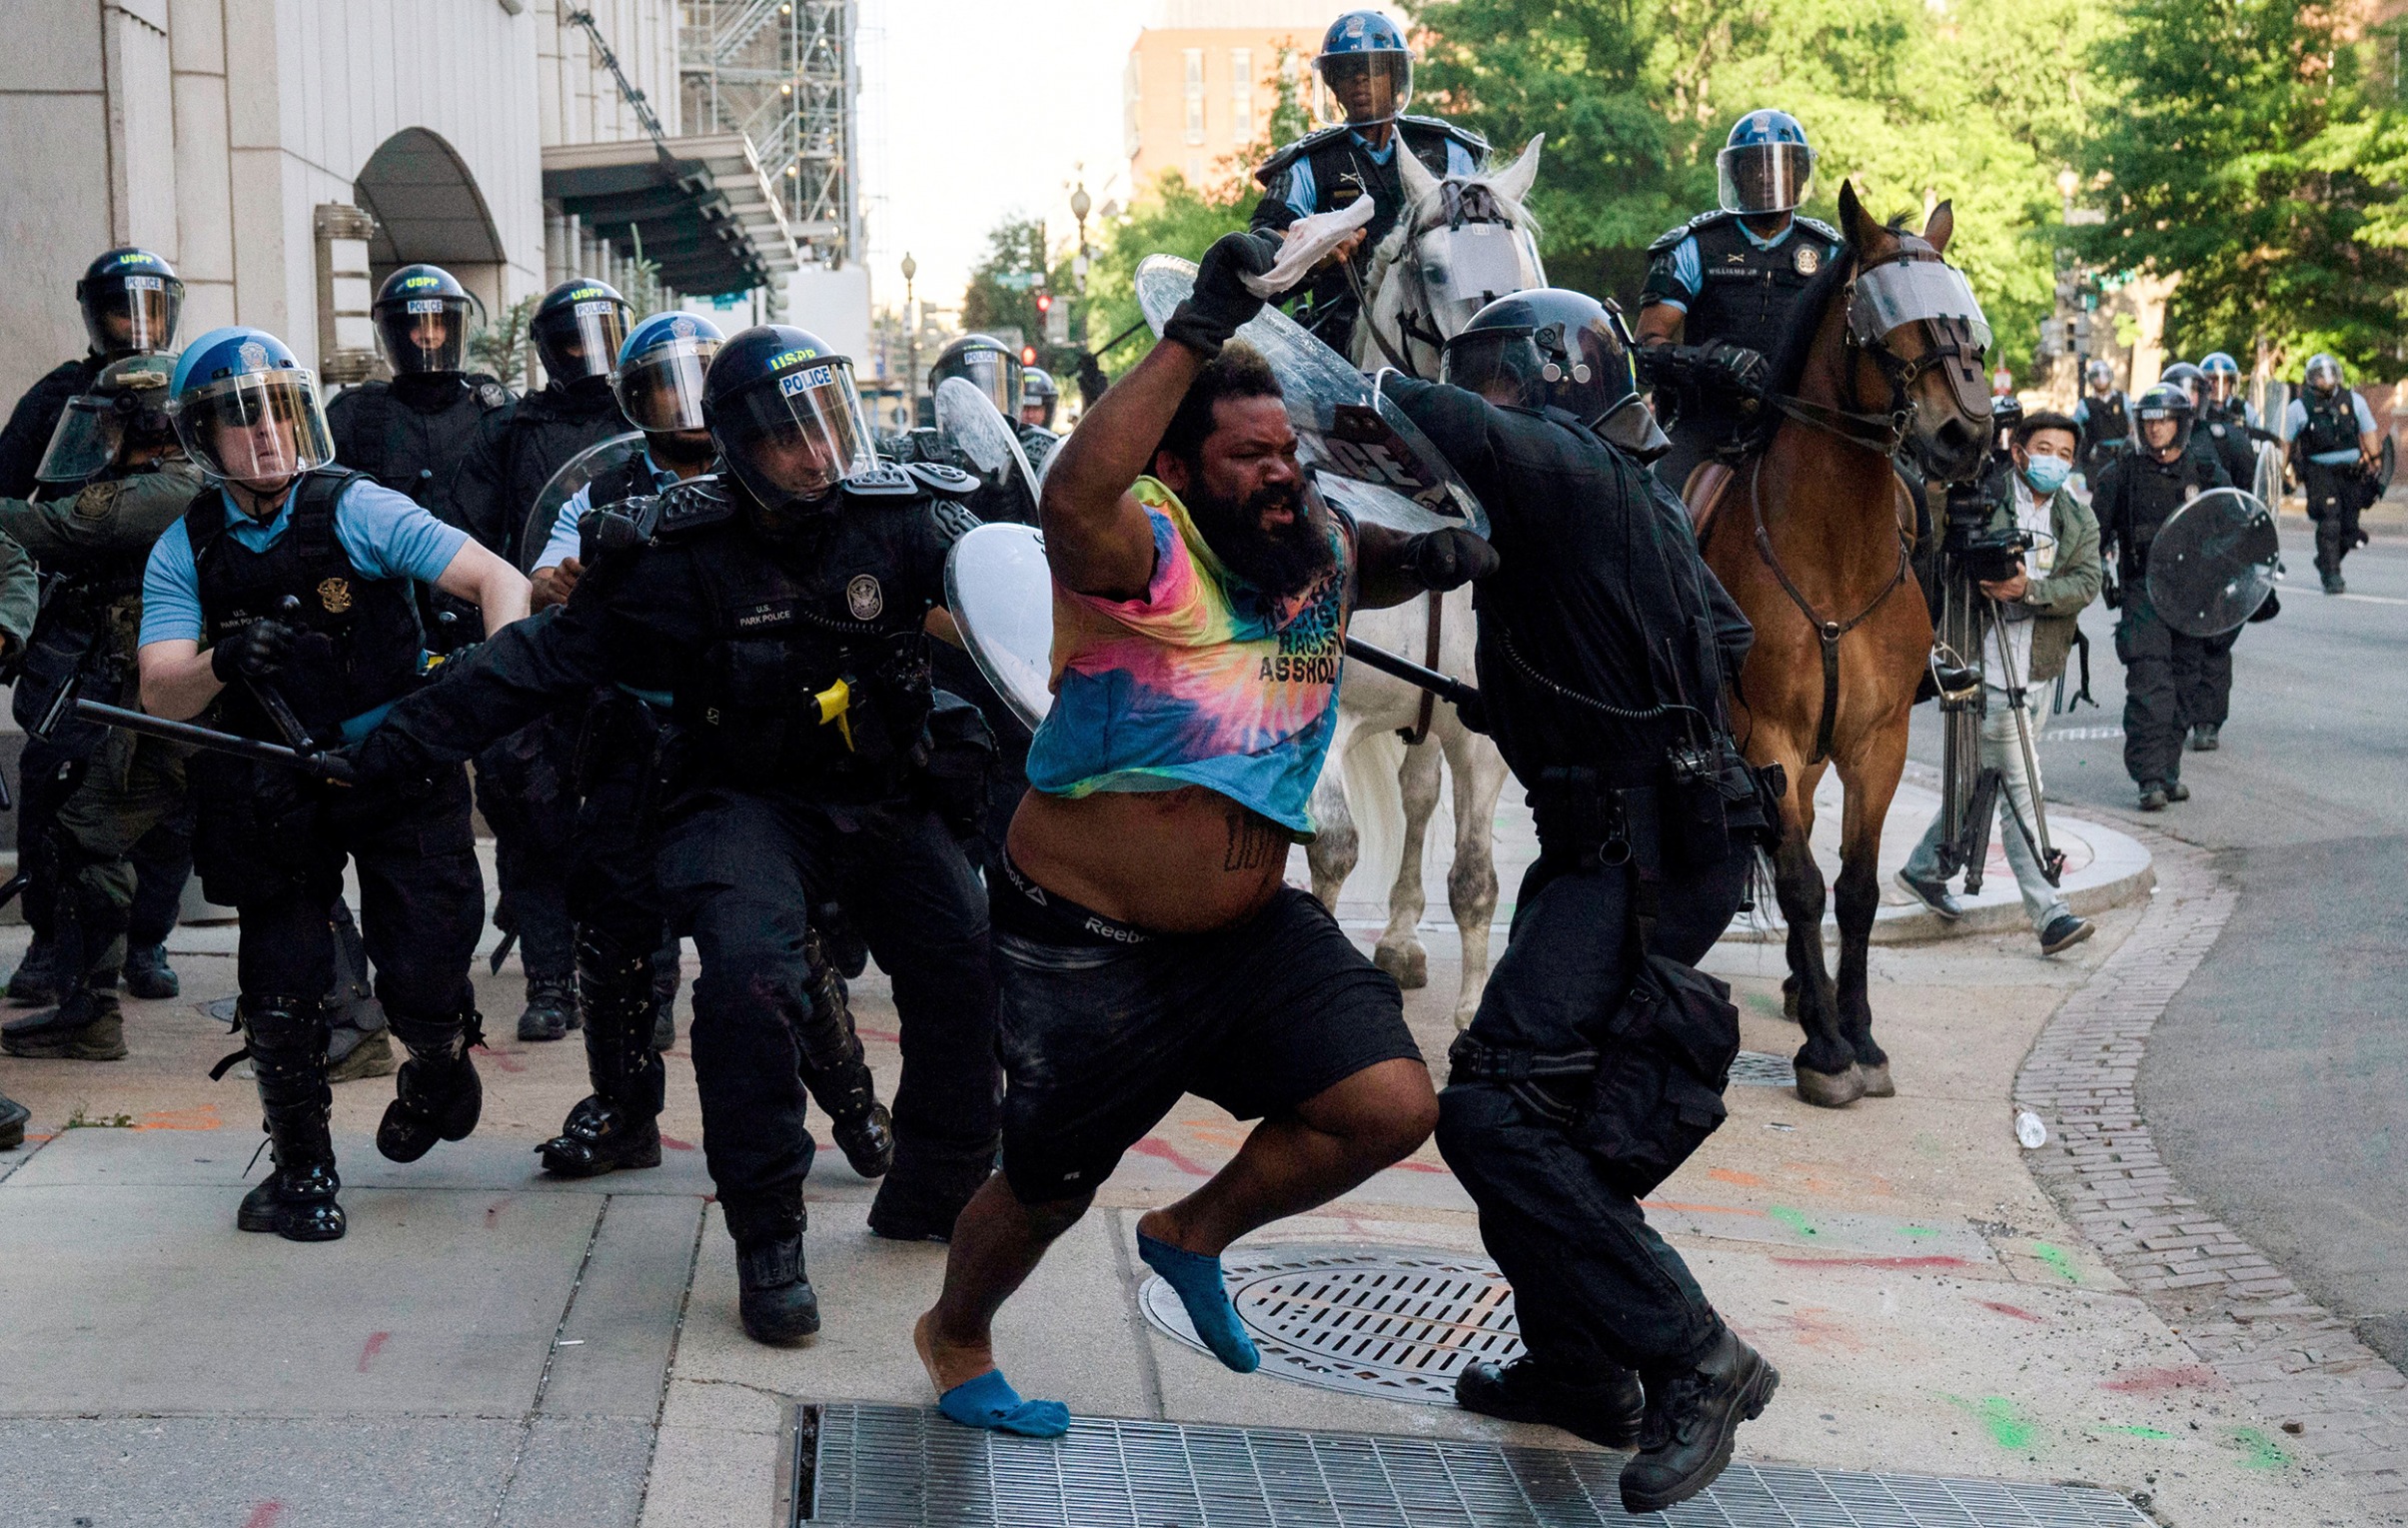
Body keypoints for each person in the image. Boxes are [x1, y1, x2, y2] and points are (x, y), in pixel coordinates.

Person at [913, 231, 1490, 1441]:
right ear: (1175, 465)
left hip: (1246, 934)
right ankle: (955, 1330)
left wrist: (1466, 534)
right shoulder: (1142, 553)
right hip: (1086, 944)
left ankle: (1190, 1233)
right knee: (1048, 1185)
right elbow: (1071, 492)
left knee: (1387, 1106)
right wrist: (1198, 324)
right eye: (1248, 455)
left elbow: (1377, 556)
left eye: (1288, 450)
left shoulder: (1314, 542)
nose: (1280, 471)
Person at [352, 324, 1001, 1342]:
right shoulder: (669, 549)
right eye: (789, 436)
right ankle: (769, 1237)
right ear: (737, 443)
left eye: (828, 425)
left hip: (883, 791)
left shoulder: (904, 517)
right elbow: (535, 662)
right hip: (739, 800)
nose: (817, 454)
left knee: (964, 953)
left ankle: (934, 1185)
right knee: (747, 982)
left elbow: (1022, 602)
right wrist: (391, 743)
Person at [1374, 288, 1777, 1514]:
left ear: (1546, 387)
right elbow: (1727, 627)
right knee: (1539, 1112)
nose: (1486, 402)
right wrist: (1559, 687)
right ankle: (1580, 1369)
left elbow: (1426, 410)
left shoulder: (1563, 464)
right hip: (1650, 834)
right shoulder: (1626, 489)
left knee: (1495, 1115)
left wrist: (1304, 355)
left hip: (1636, 852)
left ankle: (1694, 1354)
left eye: (1501, 378)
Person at [136, 326, 531, 1241]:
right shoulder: (183, 546)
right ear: (204, 439)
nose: (266, 435)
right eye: (240, 420)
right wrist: (223, 661)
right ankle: (302, 1171)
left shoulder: (358, 506)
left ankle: (435, 1062)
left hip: (397, 761)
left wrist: (488, 691)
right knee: (281, 982)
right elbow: (162, 685)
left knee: (426, 964)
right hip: (274, 781)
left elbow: (495, 580)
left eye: (278, 410)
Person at [513, 312, 895, 1179]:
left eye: (697, 380)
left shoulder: (765, 463)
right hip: (633, 735)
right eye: (661, 382)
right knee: (612, 927)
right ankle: (621, 1112)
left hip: (746, 739)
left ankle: (854, 1103)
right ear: (634, 397)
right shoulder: (606, 489)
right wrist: (558, 581)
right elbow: (542, 581)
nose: (682, 403)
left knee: (771, 935)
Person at [0, 356, 202, 1064]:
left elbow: (48, 527)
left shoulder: (170, 485)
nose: (103, 437)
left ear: (148, 424)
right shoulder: (150, 479)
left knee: (275, 848)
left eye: (115, 422)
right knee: (88, 832)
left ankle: (346, 1006)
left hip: (194, 698)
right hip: (144, 692)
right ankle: (87, 1007)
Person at [450, 278, 634, 1042]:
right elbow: (471, 534)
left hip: (631, 651)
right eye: (571, 337)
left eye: (603, 332)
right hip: (536, 638)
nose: (589, 354)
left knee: (629, 820)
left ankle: (635, 980)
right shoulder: (512, 429)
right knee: (528, 809)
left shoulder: (654, 415)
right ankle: (551, 980)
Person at [1894, 411, 2102, 955]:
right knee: (2020, 789)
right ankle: (2049, 912)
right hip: (1983, 669)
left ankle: (1923, 868)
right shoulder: (1981, 500)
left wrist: (2026, 589)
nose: (2053, 460)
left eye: (2064, 453)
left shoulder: (2078, 521)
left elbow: (2086, 582)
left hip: (2037, 672)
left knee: (1981, 778)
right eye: (2044, 448)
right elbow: (1937, 549)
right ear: (2018, 452)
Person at [1248, 10, 1488, 345]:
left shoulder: (1448, 150)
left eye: (1372, 69)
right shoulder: (1306, 164)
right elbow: (1262, 253)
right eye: (1346, 71)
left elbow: (1487, 240)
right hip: (1339, 339)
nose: (1360, 79)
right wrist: (1314, 251)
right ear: (1332, 85)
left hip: (1447, 328)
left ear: (1396, 77)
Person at [1635, 111, 1843, 493]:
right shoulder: (1694, 246)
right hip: (1709, 422)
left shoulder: (1830, 253)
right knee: (1660, 501)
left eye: (1779, 167)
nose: (1767, 177)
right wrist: (1715, 361)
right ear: (1734, 175)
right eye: (1753, 167)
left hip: (1802, 421)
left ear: (1798, 175)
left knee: (1907, 493)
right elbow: (1646, 348)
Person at [2090, 383, 2231, 810]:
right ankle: (2149, 778)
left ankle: (2169, 772)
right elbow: (2093, 535)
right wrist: (2096, 572)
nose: (2155, 429)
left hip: (2192, 595)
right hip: (2142, 592)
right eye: (2149, 421)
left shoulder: (2205, 472)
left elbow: (2233, 528)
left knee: (2186, 683)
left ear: (2181, 424)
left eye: (2164, 420)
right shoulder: (2120, 474)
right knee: (2150, 685)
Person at [0, 248, 184, 500]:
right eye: (124, 313)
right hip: (70, 529)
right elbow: (5, 486)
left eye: (152, 314)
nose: (141, 323)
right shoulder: (62, 388)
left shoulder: (185, 383)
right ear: (98, 316)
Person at [2285, 354, 2382, 596]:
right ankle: (2332, 575)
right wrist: (2283, 472)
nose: (2326, 379)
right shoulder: (2299, 407)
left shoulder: (2354, 401)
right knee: (2329, 521)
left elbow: (2368, 431)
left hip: (2350, 471)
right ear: (2311, 378)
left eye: (2329, 373)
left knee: (2350, 526)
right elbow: (2286, 442)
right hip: (2318, 471)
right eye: (2320, 374)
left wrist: (2376, 459)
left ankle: (2326, 560)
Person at [2194, 352, 2261, 494]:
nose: (2216, 385)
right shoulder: (2196, 410)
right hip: (2206, 475)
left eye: (2222, 381)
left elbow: (2257, 445)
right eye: (2211, 380)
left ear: (2231, 383)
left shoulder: (2244, 410)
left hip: (2239, 475)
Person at [2072, 359, 2130, 484]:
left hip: (2122, 452)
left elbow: (2133, 425)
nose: (2100, 379)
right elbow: (2074, 428)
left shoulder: (2123, 399)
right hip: (2097, 456)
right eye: (2096, 376)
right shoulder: (2085, 404)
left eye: (2104, 375)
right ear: (2090, 379)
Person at [1019, 367, 1060, 433]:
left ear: (1048, 411)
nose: (1030, 415)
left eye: (1036, 408)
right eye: (1025, 408)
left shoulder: (1060, 443)